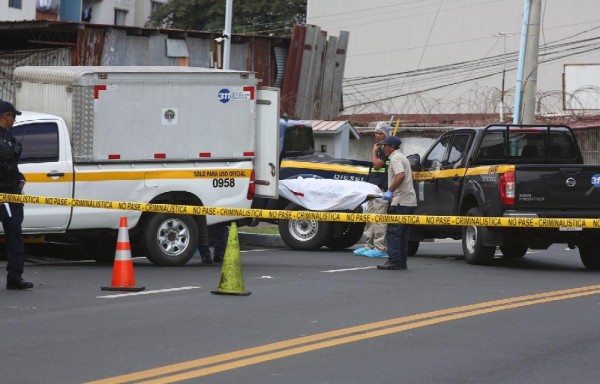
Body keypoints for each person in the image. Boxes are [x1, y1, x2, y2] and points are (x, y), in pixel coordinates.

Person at [0, 100, 32, 290]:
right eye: (13, 116)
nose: (14, 121)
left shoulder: (7, 136)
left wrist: (19, 178)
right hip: (5, 194)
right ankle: (14, 277)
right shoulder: (4, 140)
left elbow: (10, 166)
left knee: (14, 236)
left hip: (11, 193)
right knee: (13, 236)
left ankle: (15, 278)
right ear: (6, 116)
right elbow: (6, 161)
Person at [377, 135, 417, 270]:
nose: (383, 148)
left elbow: (400, 175)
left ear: (392, 147)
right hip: (409, 201)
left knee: (394, 232)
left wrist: (390, 191)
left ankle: (394, 261)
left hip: (400, 201)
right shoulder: (402, 157)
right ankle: (401, 262)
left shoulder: (395, 158)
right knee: (403, 234)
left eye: (385, 146)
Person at [353, 122, 390, 258]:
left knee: (379, 219)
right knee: (370, 218)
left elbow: (378, 165)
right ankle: (369, 245)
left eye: (380, 133)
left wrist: (374, 151)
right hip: (373, 188)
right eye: (376, 133)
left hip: (381, 189)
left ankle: (380, 248)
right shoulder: (379, 148)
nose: (377, 135)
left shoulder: (385, 149)